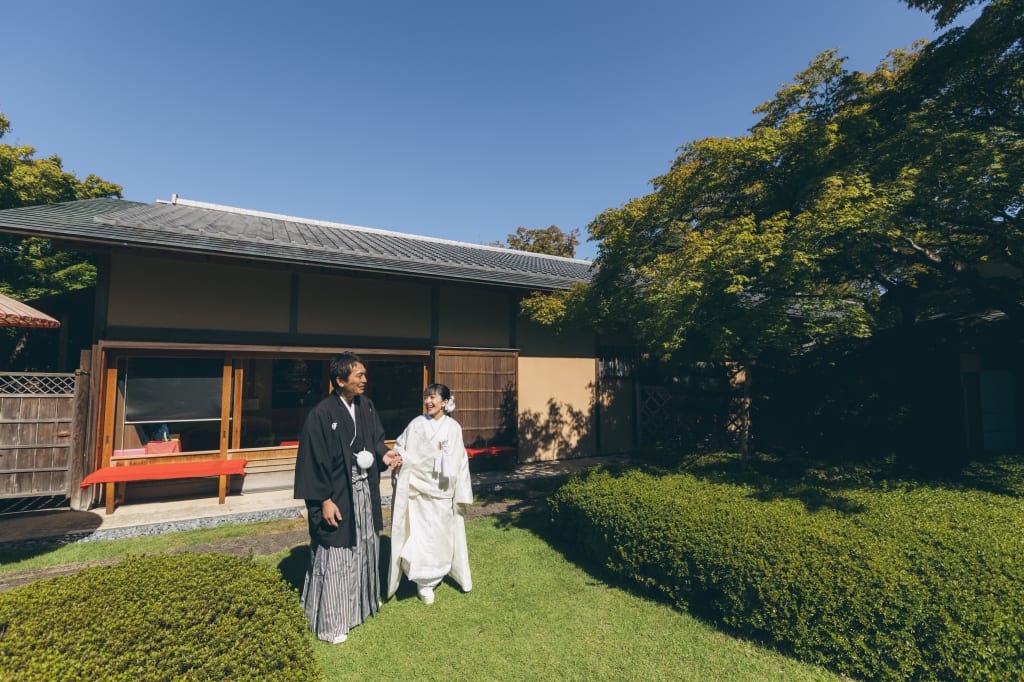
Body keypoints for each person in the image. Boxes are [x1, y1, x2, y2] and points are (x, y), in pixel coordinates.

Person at [293, 352, 402, 644]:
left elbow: (376, 440)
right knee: (337, 550)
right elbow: (312, 461)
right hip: (336, 493)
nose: (365, 379)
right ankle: (334, 621)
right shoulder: (321, 414)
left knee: (366, 543)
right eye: (359, 375)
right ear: (341, 380)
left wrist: (384, 453)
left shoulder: (365, 406)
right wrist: (323, 500)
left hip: (363, 491)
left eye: (365, 374)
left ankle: (362, 605)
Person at [387, 383, 473, 605]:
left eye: (433, 397)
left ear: (445, 402)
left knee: (439, 538)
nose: (428, 402)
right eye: (426, 397)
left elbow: (460, 461)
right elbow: (400, 445)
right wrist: (402, 458)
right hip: (417, 491)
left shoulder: (453, 428)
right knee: (419, 536)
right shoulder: (416, 424)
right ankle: (422, 581)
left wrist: (461, 493)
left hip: (442, 492)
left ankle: (435, 575)